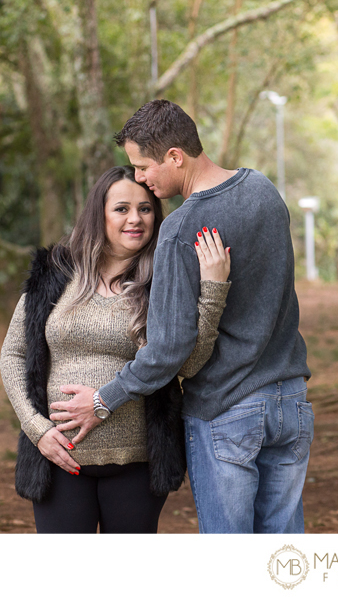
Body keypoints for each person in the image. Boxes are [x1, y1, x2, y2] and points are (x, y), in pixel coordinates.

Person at [48, 100, 313, 534]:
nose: (140, 178)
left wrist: (102, 401)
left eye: (143, 166)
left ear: (175, 157)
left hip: (227, 409)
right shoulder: (264, 191)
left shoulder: (181, 229)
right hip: (291, 404)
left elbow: (168, 349)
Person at [0, 166, 231, 533]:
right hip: (57, 459)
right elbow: (13, 354)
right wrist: (36, 428)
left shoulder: (165, 281)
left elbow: (187, 365)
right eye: (121, 208)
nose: (135, 219)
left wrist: (213, 293)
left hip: (136, 467)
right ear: (100, 213)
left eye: (146, 209)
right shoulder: (54, 271)